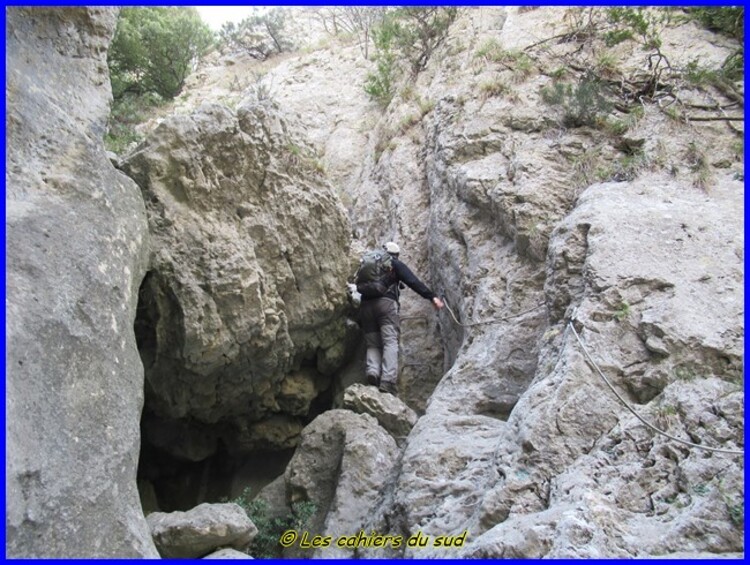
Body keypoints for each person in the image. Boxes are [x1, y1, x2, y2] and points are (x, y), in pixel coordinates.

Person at [360, 242, 444, 396]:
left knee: (372, 344)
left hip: (365, 306)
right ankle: (387, 380)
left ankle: (372, 371)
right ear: (396, 254)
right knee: (390, 342)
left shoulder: (370, 263)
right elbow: (412, 281)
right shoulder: (394, 263)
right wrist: (432, 297)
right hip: (385, 306)